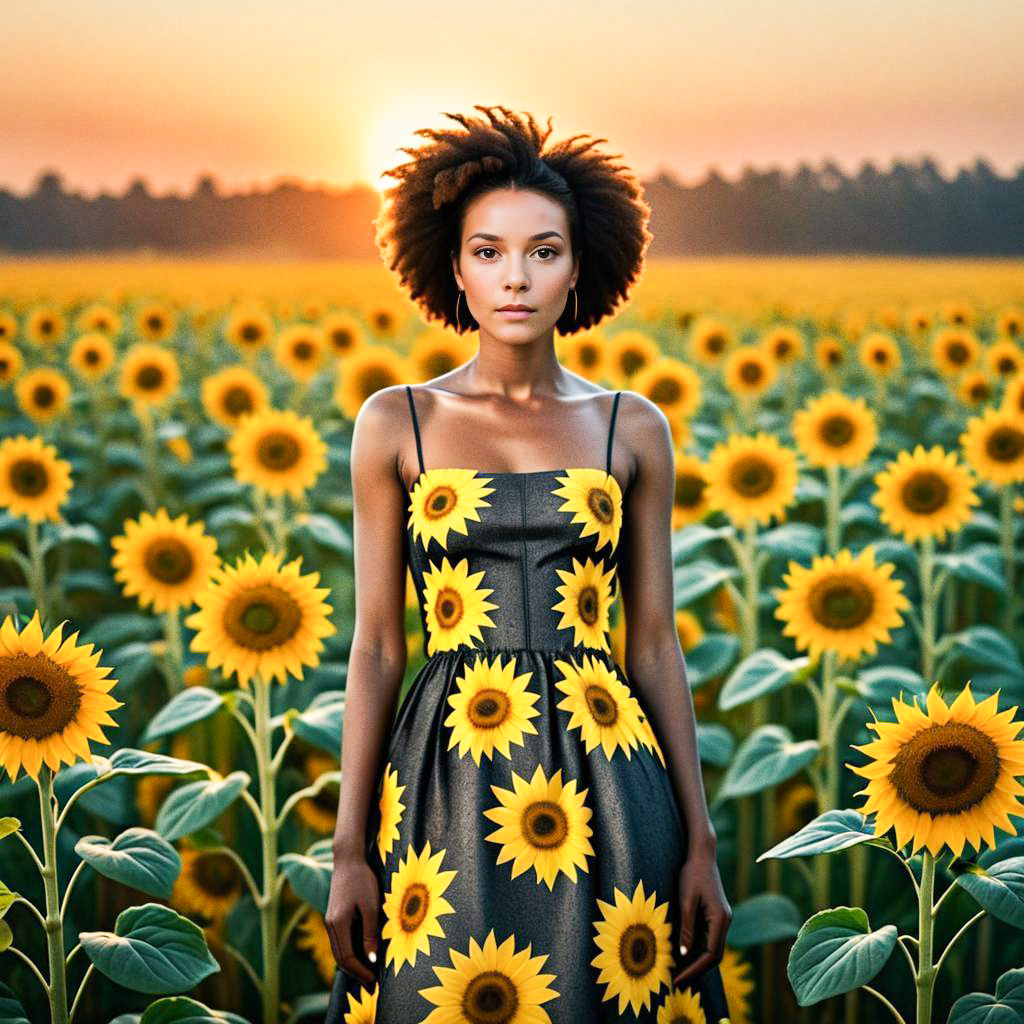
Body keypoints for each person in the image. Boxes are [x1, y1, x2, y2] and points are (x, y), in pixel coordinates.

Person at [324, 105, 731, 1023]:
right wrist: (348, 850)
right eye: (489, 251)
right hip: (442, 780)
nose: (516, 278)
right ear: (452, 265)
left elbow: (657, 645)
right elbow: (380, 647)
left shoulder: (635, 426)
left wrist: (700, 841)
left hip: (611, 781)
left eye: (544, 252)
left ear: (582, 267)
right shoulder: (396, 421)